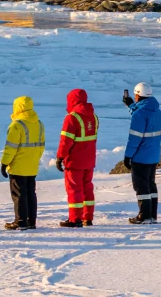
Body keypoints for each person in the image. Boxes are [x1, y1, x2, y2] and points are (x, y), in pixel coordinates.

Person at [0, 95, 45, 231]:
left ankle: (20, 221)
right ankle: (31, 221)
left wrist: (4, 163)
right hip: (32, 166)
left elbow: (11, 148)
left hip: (18, 166)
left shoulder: (16, 125)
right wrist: (34, 159)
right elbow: (41, 145)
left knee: (19, 195)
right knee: (31, 193)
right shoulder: (39, 124)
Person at [56, 88, 99, 228]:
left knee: (74, 190)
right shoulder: (94, 117)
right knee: (87, 189)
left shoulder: (72, 118)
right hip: (89, 161)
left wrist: (60, 157)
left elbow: (65, 141)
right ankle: (88, 217)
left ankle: (75, 219)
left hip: (75, 162)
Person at [123, 82, 161, 224]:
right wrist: (132, 106)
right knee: (150, 184)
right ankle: (152, 215)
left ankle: (144, 216)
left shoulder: (139, 114)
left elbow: (134, 138)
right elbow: (143, 113)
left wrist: (128, 156)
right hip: (153, 155)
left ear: (138, 95)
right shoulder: (156, 110)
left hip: (141, 156)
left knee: (141, 186)